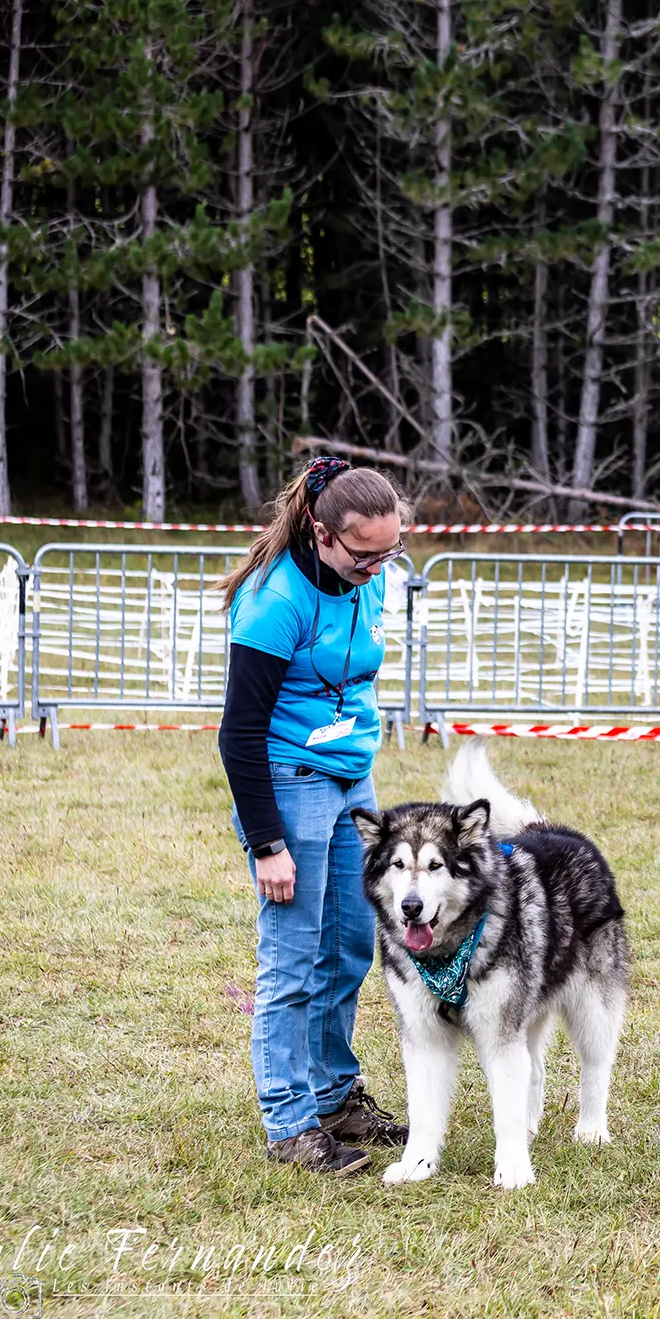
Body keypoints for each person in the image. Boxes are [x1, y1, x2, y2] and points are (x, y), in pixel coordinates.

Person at [216, 457, 412, 1177]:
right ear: (321, 533)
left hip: (351, 778)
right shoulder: (274, 602)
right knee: (294, 958)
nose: (380, 565)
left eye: (390, 551)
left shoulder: (373, 576)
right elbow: (238, 735)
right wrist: (267, 842)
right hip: (287, 782)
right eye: (366, 553)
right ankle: (290, 1123)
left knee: (352, 944)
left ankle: (335, 1096)